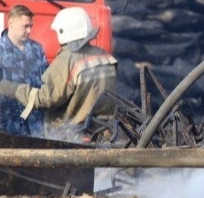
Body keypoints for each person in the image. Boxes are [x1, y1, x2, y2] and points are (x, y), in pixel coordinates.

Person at [0, 7, 118, 140]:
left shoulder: (65, 59)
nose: (29, 31)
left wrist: (11, 88)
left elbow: (45, 98)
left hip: (71, 136)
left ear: (64, 31)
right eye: (25, 26)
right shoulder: (103, 56)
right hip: (101, 132)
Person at [0, 5, 48, 137]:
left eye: (31, 26)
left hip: (36, 129)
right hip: (8, 130)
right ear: (11, 23)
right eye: (25, 26)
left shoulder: (37, 50)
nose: (29, 30)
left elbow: (46, 81)